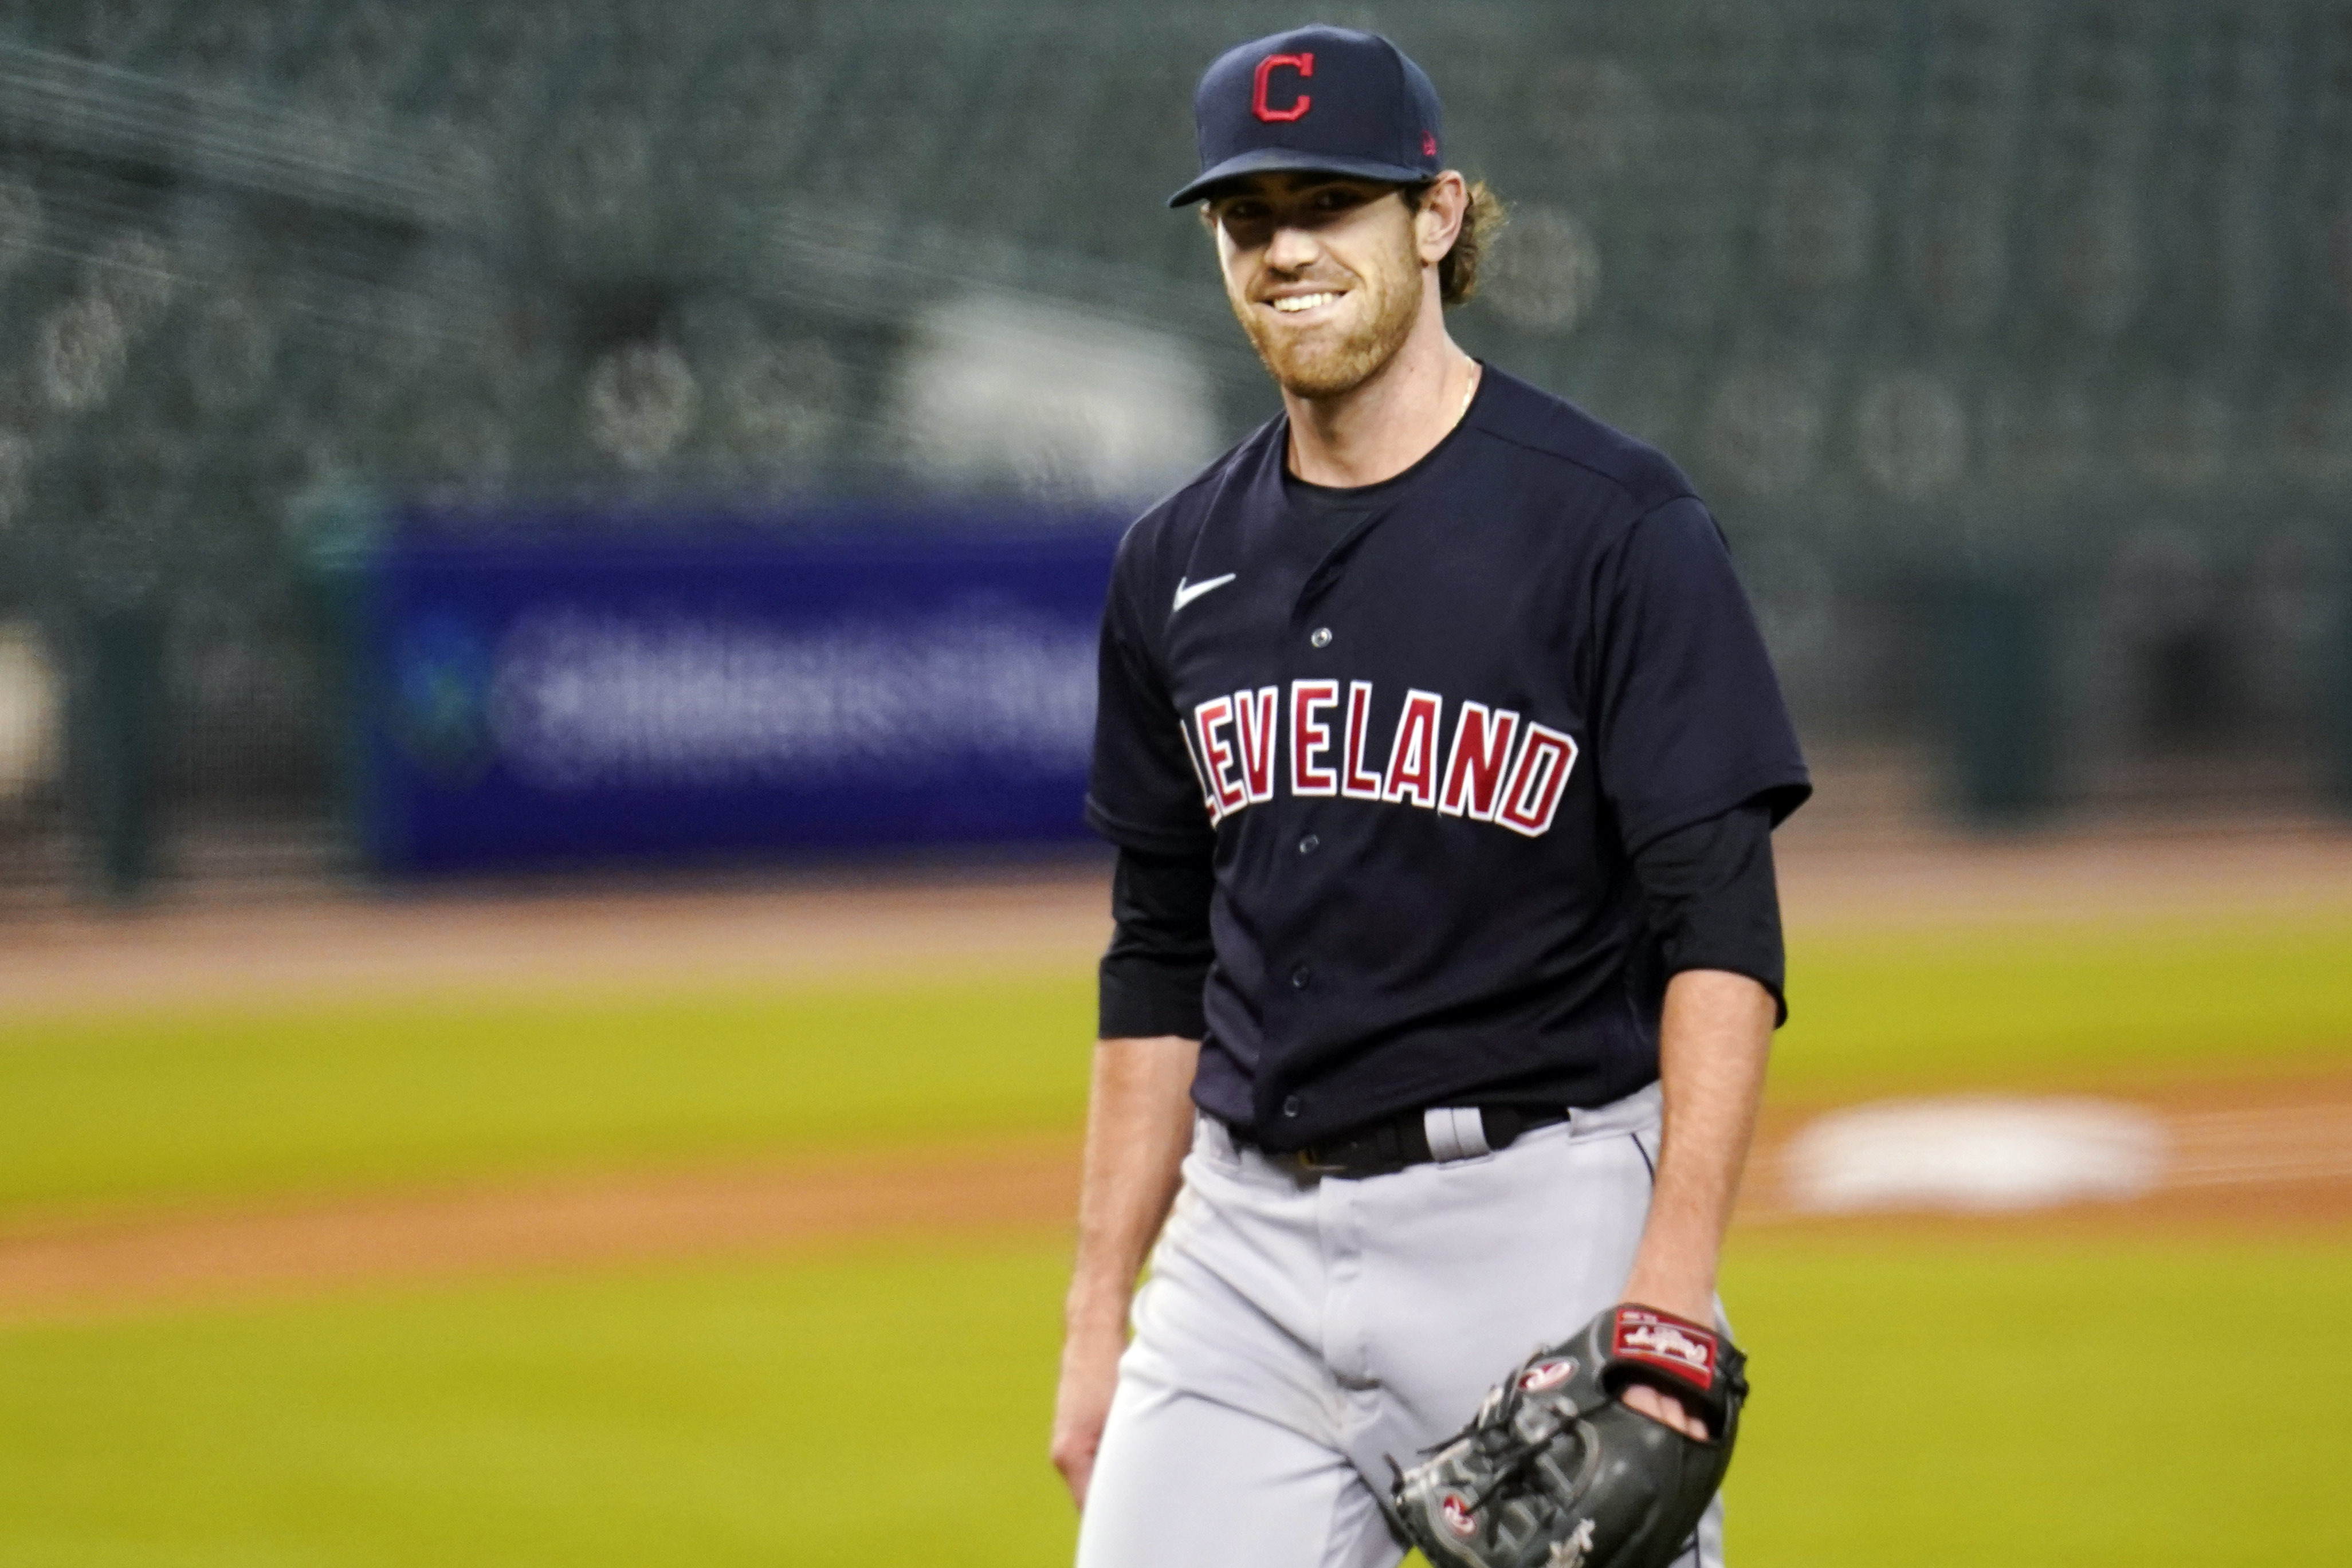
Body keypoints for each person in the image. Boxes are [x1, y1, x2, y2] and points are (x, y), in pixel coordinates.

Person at [1051, 25, 1809, 1568]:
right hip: (1241, 1254)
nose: (1285, 250)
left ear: (1436, 216)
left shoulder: (1615, 525)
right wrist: (1093, 1312)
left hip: (1541, 1228)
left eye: (1327, 201)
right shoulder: (1170, 559)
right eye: (1246, 218)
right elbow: (1156, 951)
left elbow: (1718, 929)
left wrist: (1665, 1286)